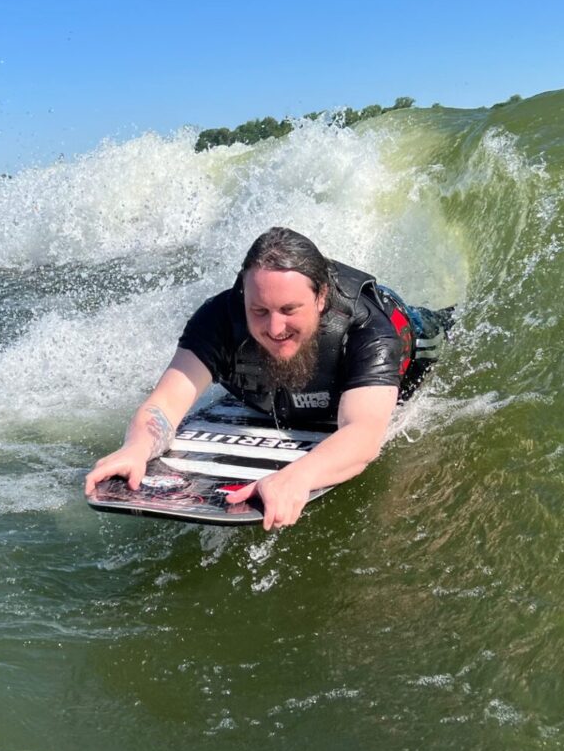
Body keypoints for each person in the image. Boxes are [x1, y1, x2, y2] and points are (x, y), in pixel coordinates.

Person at [84, 227, 451, 530]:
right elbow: (164, 404)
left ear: (321, 298)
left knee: (441, 325)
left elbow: (364, 433)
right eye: (259, 310)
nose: (274, 328)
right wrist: (136, 447)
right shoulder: (219, 320)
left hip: (412, 338)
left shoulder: (367, 329)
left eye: (289, 310)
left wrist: (298, 477)